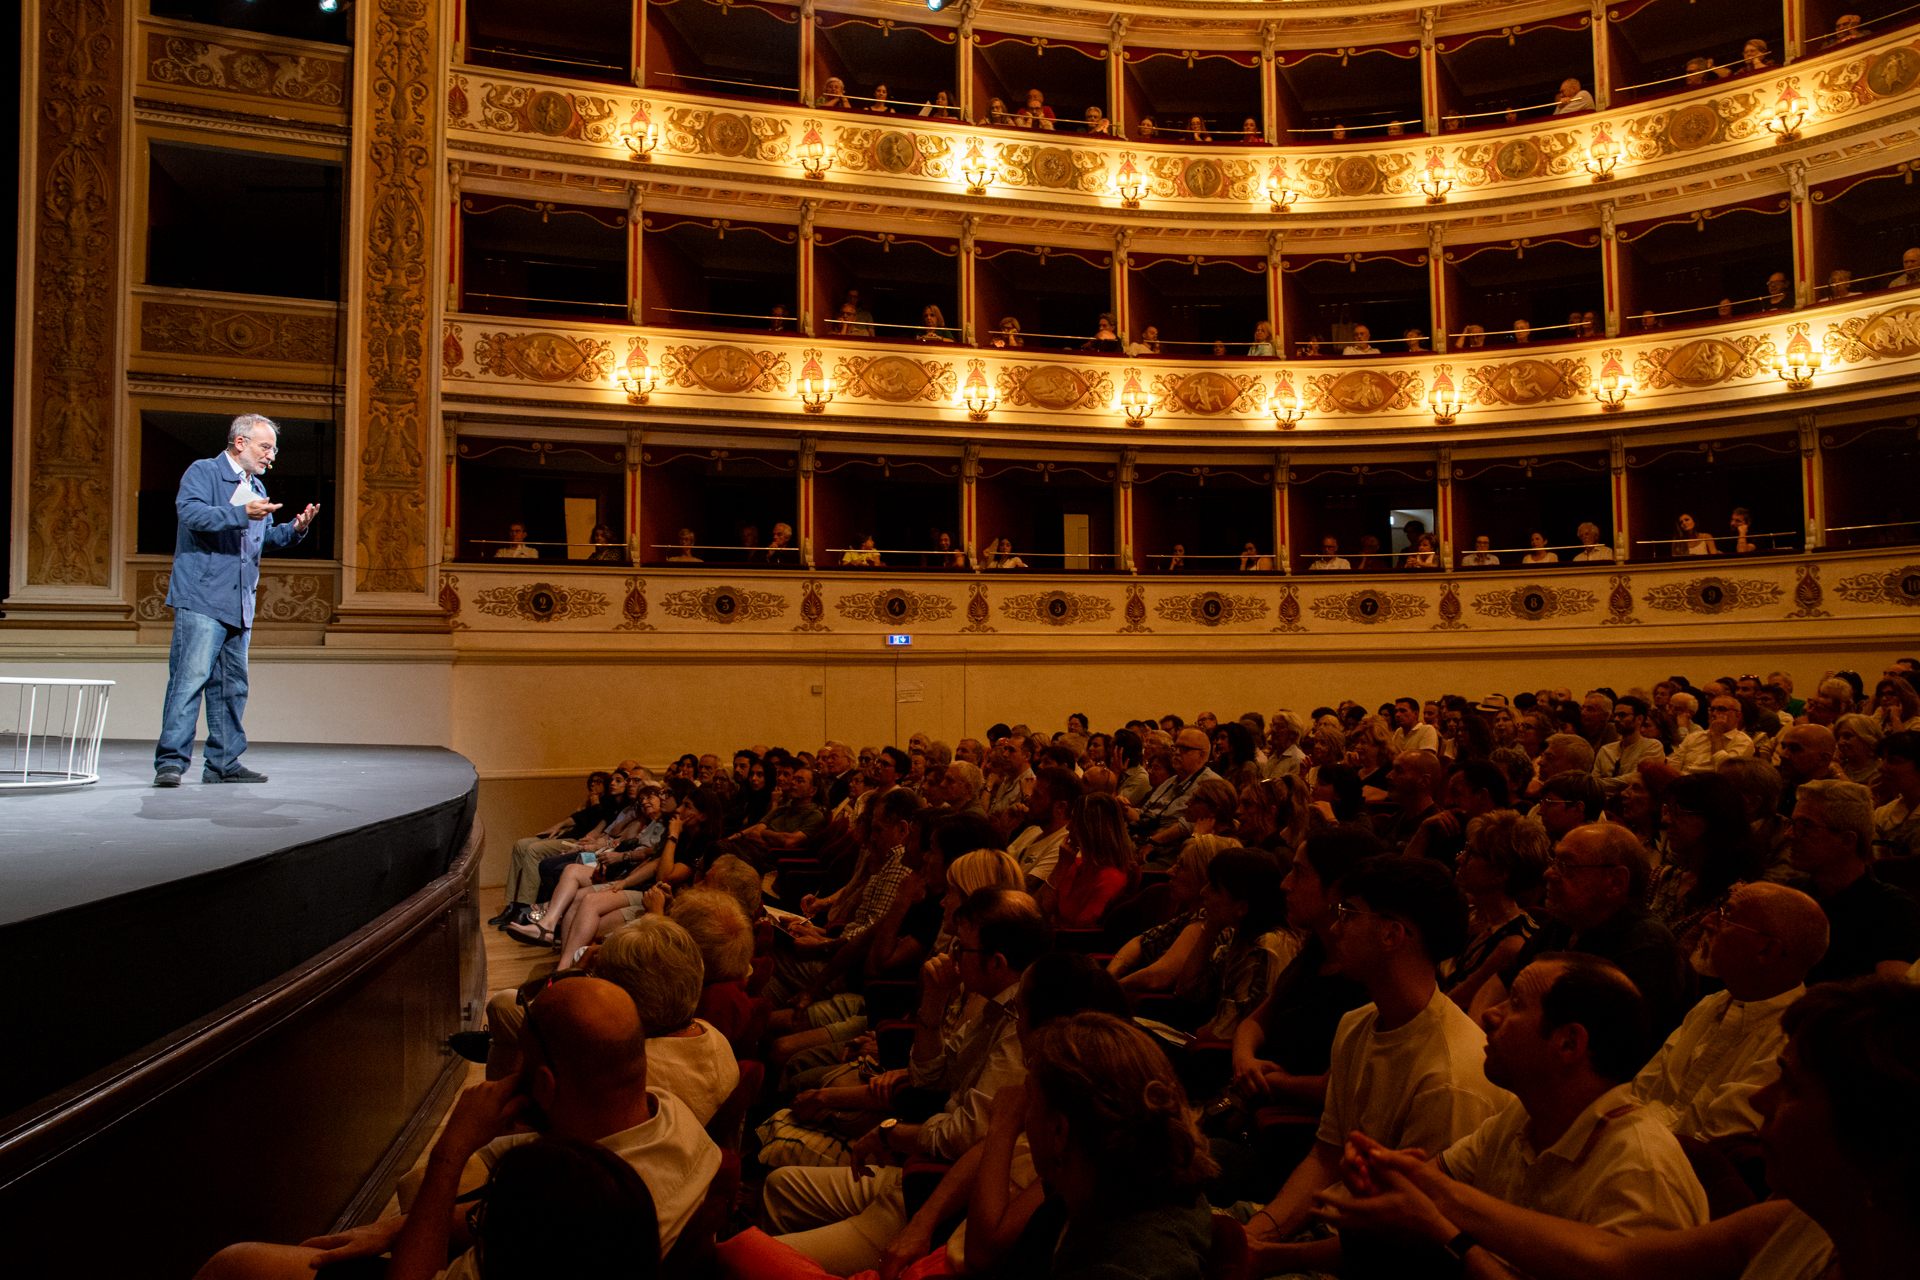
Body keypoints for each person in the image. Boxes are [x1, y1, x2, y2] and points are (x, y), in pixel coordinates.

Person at [1334, 978, 1920, 1280]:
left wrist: (1445, 1223)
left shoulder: (1637, 1161)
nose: (1762, 1100)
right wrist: (1428, 1188)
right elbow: (1611, 1261)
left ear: (1880, 1143)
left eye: (1790, 1087)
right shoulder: (1791, 1223)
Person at [194, 977, 721, 1279]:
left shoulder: (572, 1212)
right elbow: (497, 1217)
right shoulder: (672, 1118)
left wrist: (451, 1148)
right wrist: (393, 1229)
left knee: (234, 1265)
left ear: (544, 1085)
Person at [1309, 954, 1709, 1278]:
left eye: (1515, 1004)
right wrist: (1383, 1178)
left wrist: (1447, 1234)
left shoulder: (1641, 1172)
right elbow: (1427, 1190)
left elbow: (1439, 1212)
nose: (1489, 1015)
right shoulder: (1520, 1117)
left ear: (1569, 1043)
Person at [1243, 856, 1509, 1269]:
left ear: (1391, 935)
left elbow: (1410, 1241)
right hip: (1329, 1227)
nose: (1334, 928)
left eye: (1347, 915)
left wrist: (1271, 1258)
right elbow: (1326, 1156)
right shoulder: (1357, 1023)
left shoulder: (1451, 1075)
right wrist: (1259, 1233)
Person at [153, 414, 318, 788]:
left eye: (273, 450)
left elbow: (260, 541)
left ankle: (223, 763)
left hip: (239, 602)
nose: (271, 457)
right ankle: (171, 763)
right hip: (202, 597)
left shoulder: (255, 486)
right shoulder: (204, 471)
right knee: (189, 682)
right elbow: (191, 514)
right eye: (266, 447)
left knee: (232, 687)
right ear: (240, 442)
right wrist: (241, 512)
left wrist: (294, 530)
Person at [1634, 881, 1827, 1140]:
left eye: (1725, 916)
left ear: (1765, 950)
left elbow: (1719, 1147)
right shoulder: (1712, 1003)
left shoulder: (1793, 1041)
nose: (1707, 921)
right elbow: (1641, 1092)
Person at [1492, 823, 1692, 1041]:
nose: (1548, 873)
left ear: (1616, 882)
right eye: (1553, 862)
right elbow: (1500, 983)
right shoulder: (1564, 922)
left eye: (1565, 865)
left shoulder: (1647, 950)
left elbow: (1587, 1048)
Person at [1790, 778, 1920, 983]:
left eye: (1806, 826)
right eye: (1792, 824)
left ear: (1847, 840)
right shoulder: (1790, 895)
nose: (1790, 834)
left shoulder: (1892, 910)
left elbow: (1890, 1001)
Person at [1593, 696, 1665, 795]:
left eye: (1623, 715)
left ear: (1639, 719)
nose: (1617, 719)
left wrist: (1595, 785)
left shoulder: (1652, 746)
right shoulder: (1606, 750)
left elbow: (1636, 778)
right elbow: (1594, 780)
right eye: (1615, 715)